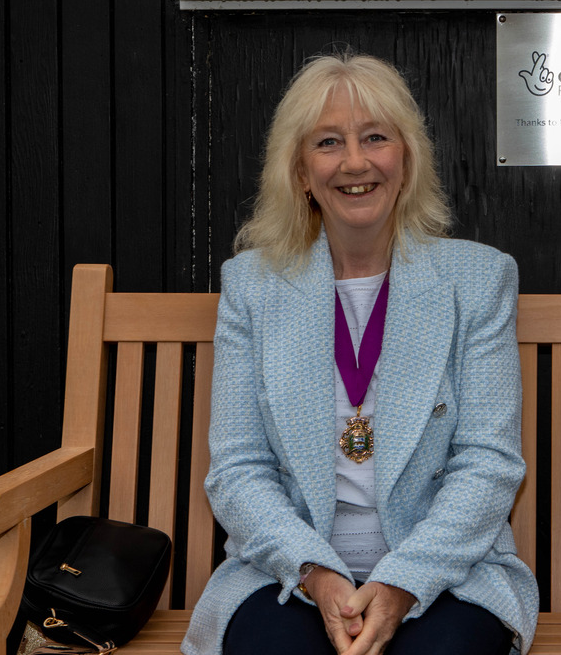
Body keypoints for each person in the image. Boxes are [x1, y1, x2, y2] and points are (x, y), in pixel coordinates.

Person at [182, 53, 538, 655]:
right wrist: (316, 574)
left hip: (445, 571)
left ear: (406, 157)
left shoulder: (477, 279)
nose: (355, 162)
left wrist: (402, 580)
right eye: (328, 143)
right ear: (300, 172)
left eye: (375, 137)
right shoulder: (254, 287)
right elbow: (238, 469)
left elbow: (489, 461)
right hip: (289, 573)